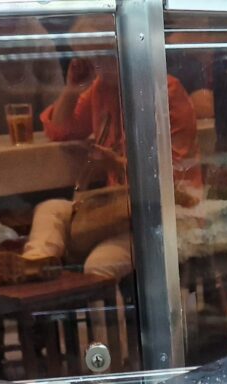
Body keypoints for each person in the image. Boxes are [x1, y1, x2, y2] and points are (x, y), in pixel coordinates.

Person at [27, 16, 200, 280]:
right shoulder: (101, 88)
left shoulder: (164, 91)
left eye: (104, 56)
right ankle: (34, 267)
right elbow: (60, 130)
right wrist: (72, 90)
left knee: (99, 264)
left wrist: (117, 165)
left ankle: (101, 306)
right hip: (115, 209)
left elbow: (175, 178)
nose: (98, 67)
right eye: (91, 58)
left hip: (163, 212)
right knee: (49, 209)